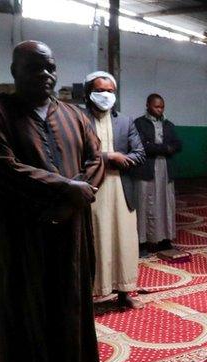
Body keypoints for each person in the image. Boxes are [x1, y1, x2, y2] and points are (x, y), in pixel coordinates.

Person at [0, 41, 104, 362]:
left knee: (69, 306)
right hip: (20, 232)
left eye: (51, 68)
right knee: (18, 311)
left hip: (69, 230)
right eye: (34, 68)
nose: (45, 76)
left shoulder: (75, 115)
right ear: (15, 71)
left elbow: (95, 161)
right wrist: (66, 188)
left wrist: (71, 200)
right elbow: (2, 168)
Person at [83, 70, 147, 308]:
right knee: (97, 240)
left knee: (124, 240)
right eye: (100, 91)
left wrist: (124, 160)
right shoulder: (79, 119)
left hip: (122, 188)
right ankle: (91, 291)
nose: (106, 95)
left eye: (110, 91)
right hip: (93, 189)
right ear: (89, 93)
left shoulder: (125, 121)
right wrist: (110, 157)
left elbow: (139, 154)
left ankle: (124, 292)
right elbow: (77, 152)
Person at [135, 93, 183, 254]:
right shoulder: (139, 123)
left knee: (165, 204)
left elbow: (178, 144)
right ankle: (142, 242)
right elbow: (142, 146)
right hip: (146, 170)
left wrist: (159, 147)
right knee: (144, 205)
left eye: (162, 106)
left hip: (165, 170)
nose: (160, 109)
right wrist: (165, 148)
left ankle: (165, 240)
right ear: (148, 105)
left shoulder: (169, 124)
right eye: (156, 106)